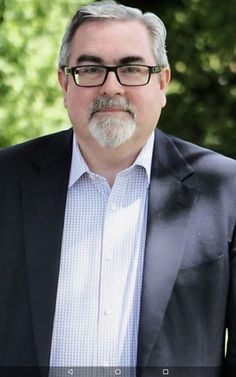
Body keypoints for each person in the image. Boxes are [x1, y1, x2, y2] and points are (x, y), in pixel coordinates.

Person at [0, 1, 235, 376]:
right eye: (90, 69)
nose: (112, 86)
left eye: (131, 68)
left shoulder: (225, 190)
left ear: (162, 83)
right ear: (64, 83)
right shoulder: (6, 183)